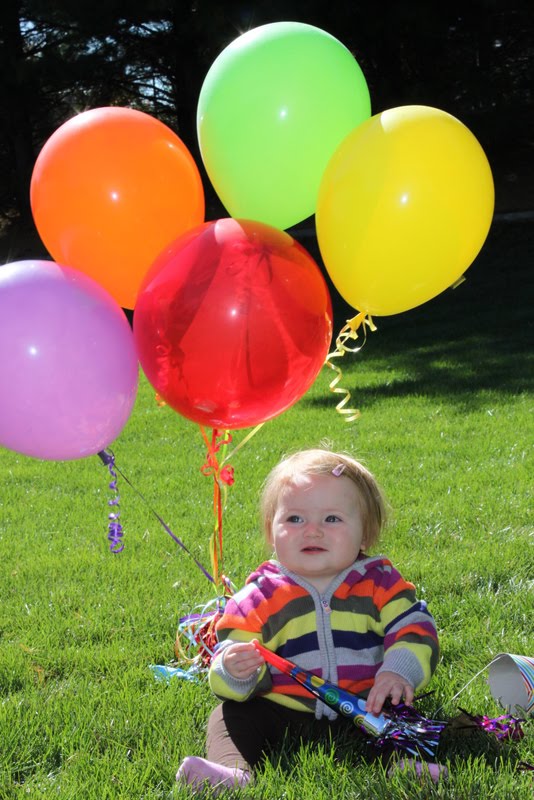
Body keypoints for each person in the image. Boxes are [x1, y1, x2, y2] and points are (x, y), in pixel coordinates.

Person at [177, 448, 442, 793]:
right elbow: (232, 644)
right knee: (230, 716)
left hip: (364, 705)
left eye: (331, 519)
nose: (312, 531)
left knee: (401, 715)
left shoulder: (379, 584)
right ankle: (233, 771)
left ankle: (408, 764)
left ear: (365, 535)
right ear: (272, 533)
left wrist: (397, 671)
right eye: (295, 519)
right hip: (283, 709)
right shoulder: (261, 595)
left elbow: (415, 627)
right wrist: (233, 668)